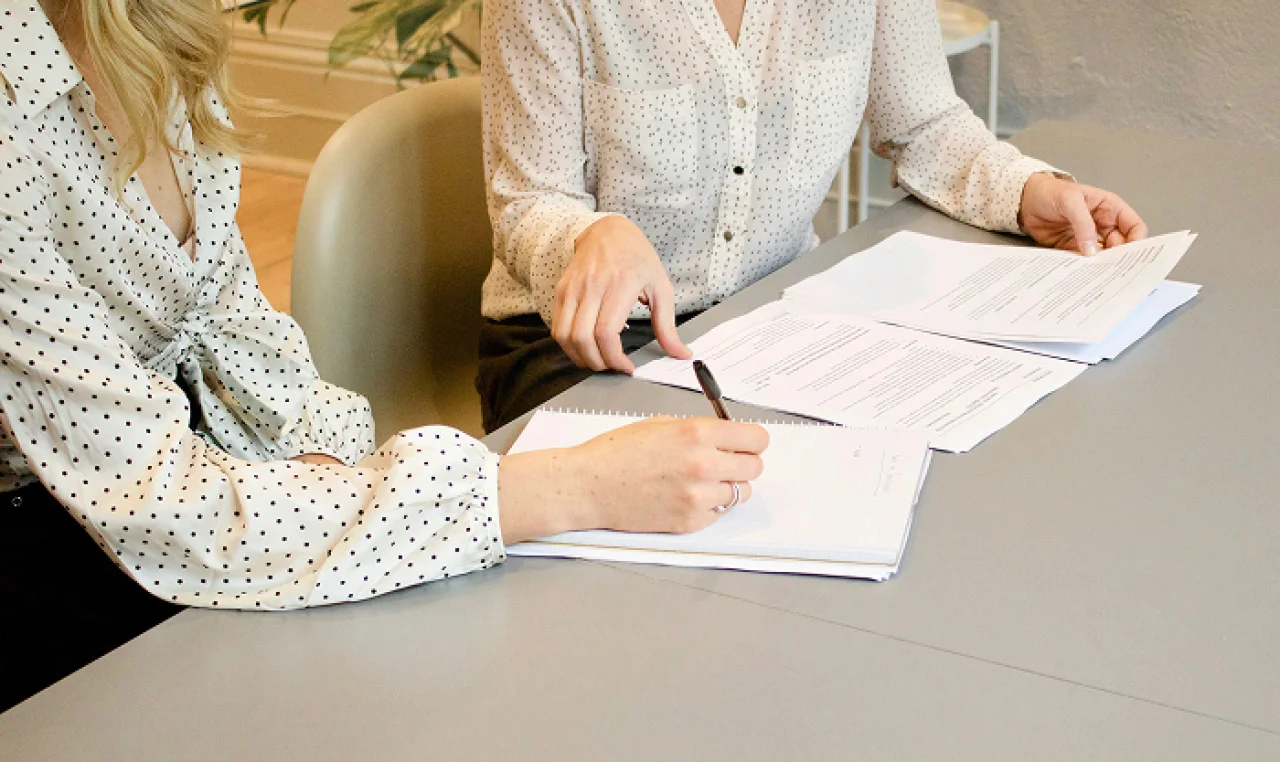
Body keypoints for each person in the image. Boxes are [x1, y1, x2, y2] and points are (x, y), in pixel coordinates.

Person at [0, 0, 768, 712]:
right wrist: (572, 490)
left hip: (185, 484)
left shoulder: (155, 35)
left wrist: (330, 468)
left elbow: (236, 334)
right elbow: (164, 504)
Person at [476, 0, 1150, 432]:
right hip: (580, 348)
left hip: (771, 328)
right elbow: (528, 202)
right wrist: (591, 236)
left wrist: (1026, 188)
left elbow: (923, 123)